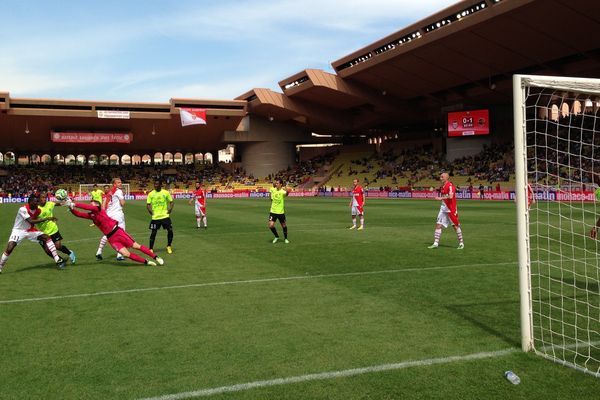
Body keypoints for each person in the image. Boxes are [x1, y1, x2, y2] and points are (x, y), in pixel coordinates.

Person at [68, 199, 164, 266]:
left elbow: (87, 207)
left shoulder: (98, 209)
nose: (90, 204)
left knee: (136, 246)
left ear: (97, 204)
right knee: (126, 254)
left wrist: (74, 204)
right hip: (111, 238)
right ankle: (146, 262)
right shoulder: (92, 215)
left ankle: (156, 257)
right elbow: (79, 214)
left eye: (92, 203)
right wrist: (71, 208)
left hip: (118, 232)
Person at [0, 194, 66, 273]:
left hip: (30, 230)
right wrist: (46, 219)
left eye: (37, 202)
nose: (37, 204)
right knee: (10, 248)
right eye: (35, 202)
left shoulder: (38, 210)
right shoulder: (22, 209)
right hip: (18, 230)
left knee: (46, 237)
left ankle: (57, 259)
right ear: (30, 202)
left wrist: (62, 204)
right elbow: (31, 221)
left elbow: (36, 219)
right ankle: (0, 266)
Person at [37, 191, 76, 264]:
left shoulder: (49, 204)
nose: (44, 199)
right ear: (38, 199)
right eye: (42, 197)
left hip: (53, 229)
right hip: (43, 232)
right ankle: (60, 260)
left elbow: (60, 204)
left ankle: (70, 253)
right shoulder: (36, 208)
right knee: (48, 250)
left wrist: (68, 201)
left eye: (45, 197)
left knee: (58, 246)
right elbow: (33, 220)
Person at [428, 172, 465, 249]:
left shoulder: (450, 186)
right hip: (443, 208)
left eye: (442, 177)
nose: (440, 178)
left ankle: (461, 243)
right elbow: (445, 195)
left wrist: (440, 198)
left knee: (455, 226)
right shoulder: (443, 186)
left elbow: (451, 196)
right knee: (438, 224)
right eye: (440, 177)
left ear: (446, 178)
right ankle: (435, 243)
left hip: (451, 208)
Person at [96, 179, 126, 260]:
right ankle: (119, 255)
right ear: (114, 184)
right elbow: (123, 203)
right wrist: (123, 197)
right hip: (118, 216)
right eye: (118, 182)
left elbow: (103, 206)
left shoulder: (108, 193)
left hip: (109, 216)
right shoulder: (119, 191)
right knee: (121, 234)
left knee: (109, 234)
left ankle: (99, 251)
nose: (120, 183)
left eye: (120, 182)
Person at [147, 180, 174, 253]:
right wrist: (150, 211)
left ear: (160, 185)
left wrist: (170, 209)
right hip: (155, 217)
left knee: (170, 230)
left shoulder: (165, 192)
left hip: (165, 216)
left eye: (157, 184)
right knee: (153, 233)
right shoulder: (151, 194)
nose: (155, 185)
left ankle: (169, 246)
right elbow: (148, 204)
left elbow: (171, 202)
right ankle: (151, 249)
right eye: (154, 184)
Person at [268, 179, 291, 243]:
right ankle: (276, 236)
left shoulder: (282, 191)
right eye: (276, 183)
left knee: (283, 225)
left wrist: (287, 190)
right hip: (273, 211)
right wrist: (270, 198)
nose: (276, 184)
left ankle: (285, 238)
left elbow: (286, 194)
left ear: (281, 184)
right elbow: (270, 193)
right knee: (271, 225)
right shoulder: (273, 189)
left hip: (280, 212)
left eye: (277, 183)